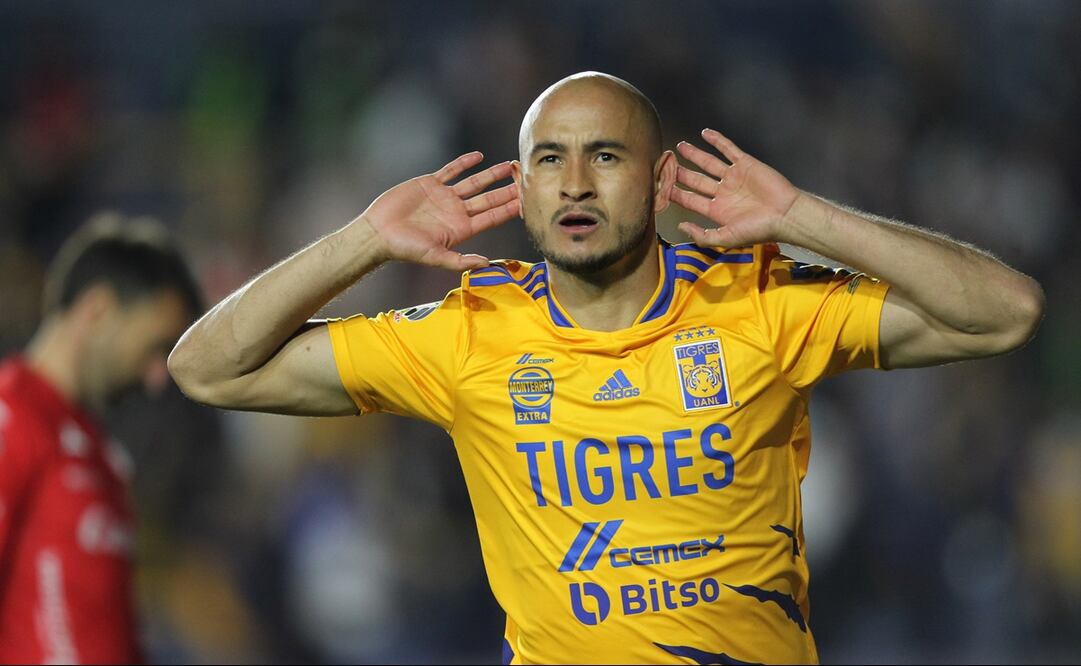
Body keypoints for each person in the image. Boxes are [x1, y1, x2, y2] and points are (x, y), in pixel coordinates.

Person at [168, 72, 1044, 664]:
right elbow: (209, 370)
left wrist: (804, 218)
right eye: (551, 159)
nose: (576, 183)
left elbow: (1004, 313)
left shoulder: (757, 304)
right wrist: (362, 241)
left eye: (606, 156)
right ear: (524, 182)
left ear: (661, 181)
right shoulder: (472, 330)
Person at [0, 214, 200, 664]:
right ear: (97, 310)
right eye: (154, 346)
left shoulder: (97, 454)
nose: (155, 378)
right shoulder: (11, 417)